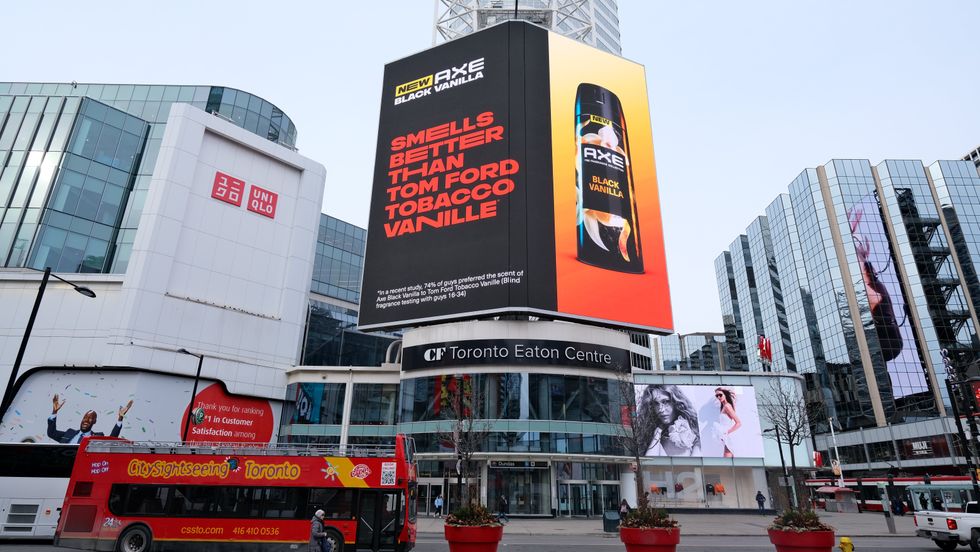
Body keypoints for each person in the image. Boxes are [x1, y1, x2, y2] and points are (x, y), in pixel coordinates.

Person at [638, 385, 701, 456]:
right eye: (656, 403)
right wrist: (657, 433)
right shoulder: (650, 434)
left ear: (675, 402)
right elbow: (649, 461)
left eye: (665, 402)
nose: (661, 409)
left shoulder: (694, 430)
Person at [47, 394, 133, 444]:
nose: (86, 420)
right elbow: (51, 433)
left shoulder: (98, 437)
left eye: (90, 418)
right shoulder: (69, 433)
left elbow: (111, 440)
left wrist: (120, 418)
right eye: (85, 418)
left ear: (94, 421)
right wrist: (54, 412)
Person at [712, 388, 742, 458]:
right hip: (726, 437)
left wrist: (727, 432)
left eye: (720, 395)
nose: (718, 397)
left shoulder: (727, 406)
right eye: (716, 396)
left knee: (727, 458)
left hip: (729, 436)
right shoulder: (724, 406)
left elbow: (738, 423)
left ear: (725, 394)